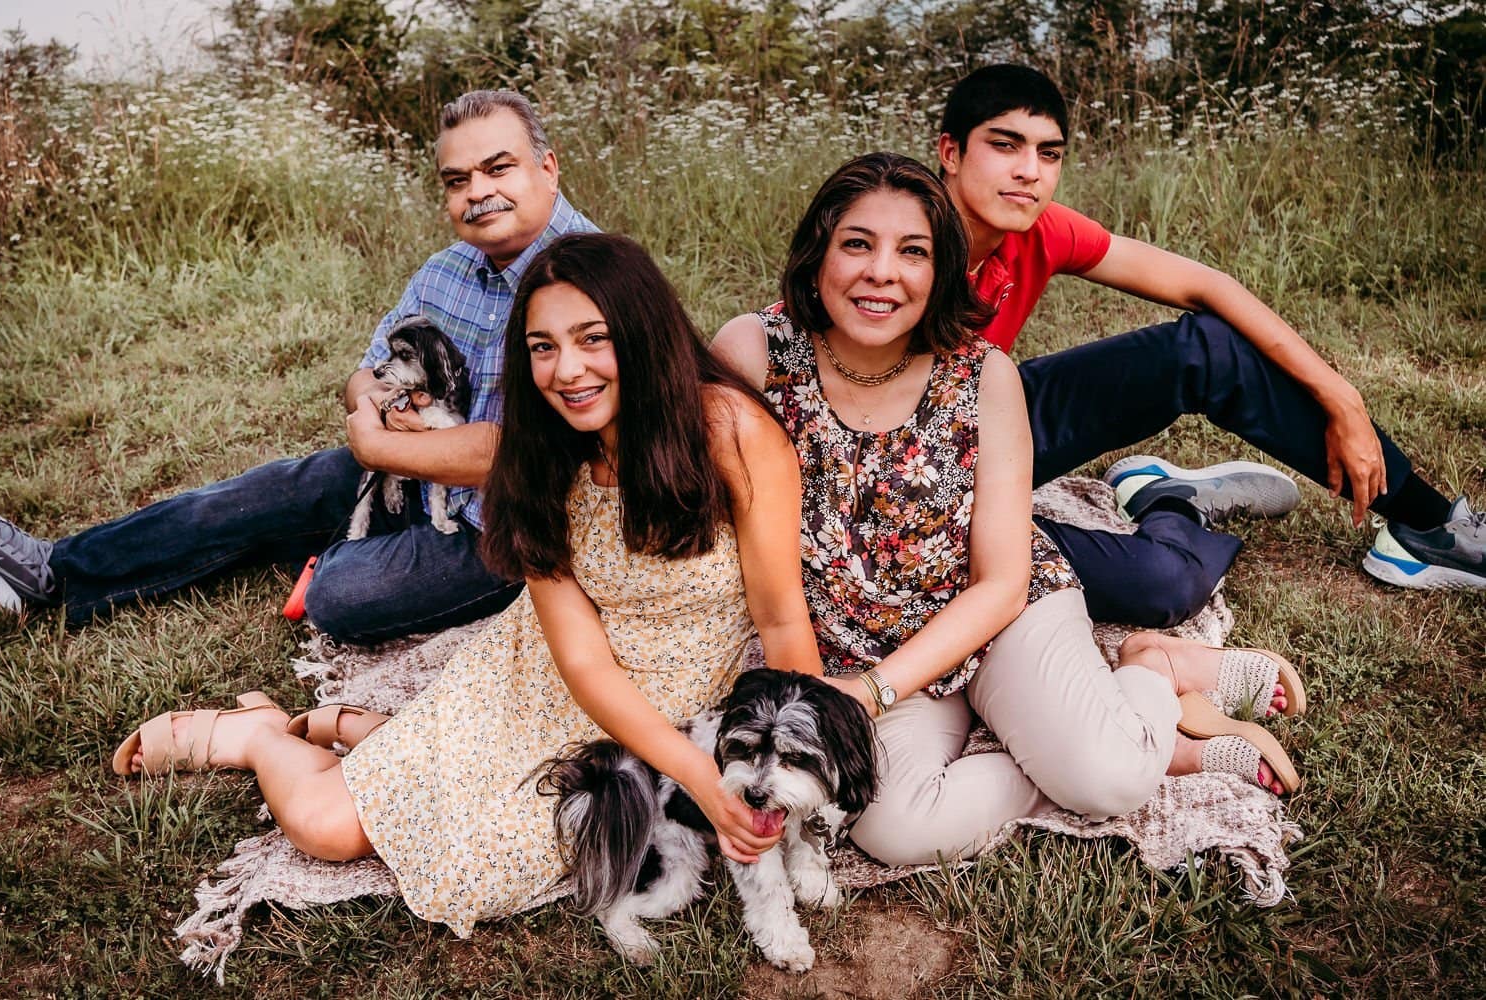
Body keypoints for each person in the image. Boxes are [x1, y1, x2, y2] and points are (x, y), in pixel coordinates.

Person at [110, 232, 822, 929]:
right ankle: (261, 736)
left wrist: (793, 763)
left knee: (490, 856)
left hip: (678, 705)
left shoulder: (730, 432)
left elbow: (783, 621)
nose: (567, 370)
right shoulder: (540, 454)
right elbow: (580, 659)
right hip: (548, 678)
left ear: (644, 334)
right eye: (543, 348)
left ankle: (366, 733)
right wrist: (698, 780)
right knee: (328, 829)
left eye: (592, 339)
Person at [713, 152, 1305, 867]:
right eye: (858, 244)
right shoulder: (756, 354)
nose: (882, 273)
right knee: (892, 829)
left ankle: (1153, 668)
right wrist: (820, 693)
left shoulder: (981, 375)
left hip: (995, 618)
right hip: (854, 639)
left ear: (939, 274)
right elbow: (752, 550)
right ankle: (1075, 754)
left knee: (1111, 780)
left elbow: (1001, 581)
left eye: (913, 252)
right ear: (817, 256)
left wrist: (869, 695)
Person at [0, 90, 596, 642]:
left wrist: (377, 446)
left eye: (498, 168)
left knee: (339, 594)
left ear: (547, 166)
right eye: (456, 180)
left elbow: (524, 454)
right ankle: (52, 571)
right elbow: (365, 374)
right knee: (255, 494)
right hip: (414, 474)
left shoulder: (594, 277)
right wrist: (375, 408)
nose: (477, 192)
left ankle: (341, 554)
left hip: (512, 527)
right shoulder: (445, 270)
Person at [933, 64, 1483, 622]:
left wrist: (1344, 399)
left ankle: (1431, 527)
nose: (1029, 172)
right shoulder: (890, 242)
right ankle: (1168, 503)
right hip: (901, 487)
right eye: (1005, 146)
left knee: (1208, 350)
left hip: (987, 417)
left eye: (1048, 154)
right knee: (1162, 584)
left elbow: (1207, 286)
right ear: (951, 153)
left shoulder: (1038, 229)